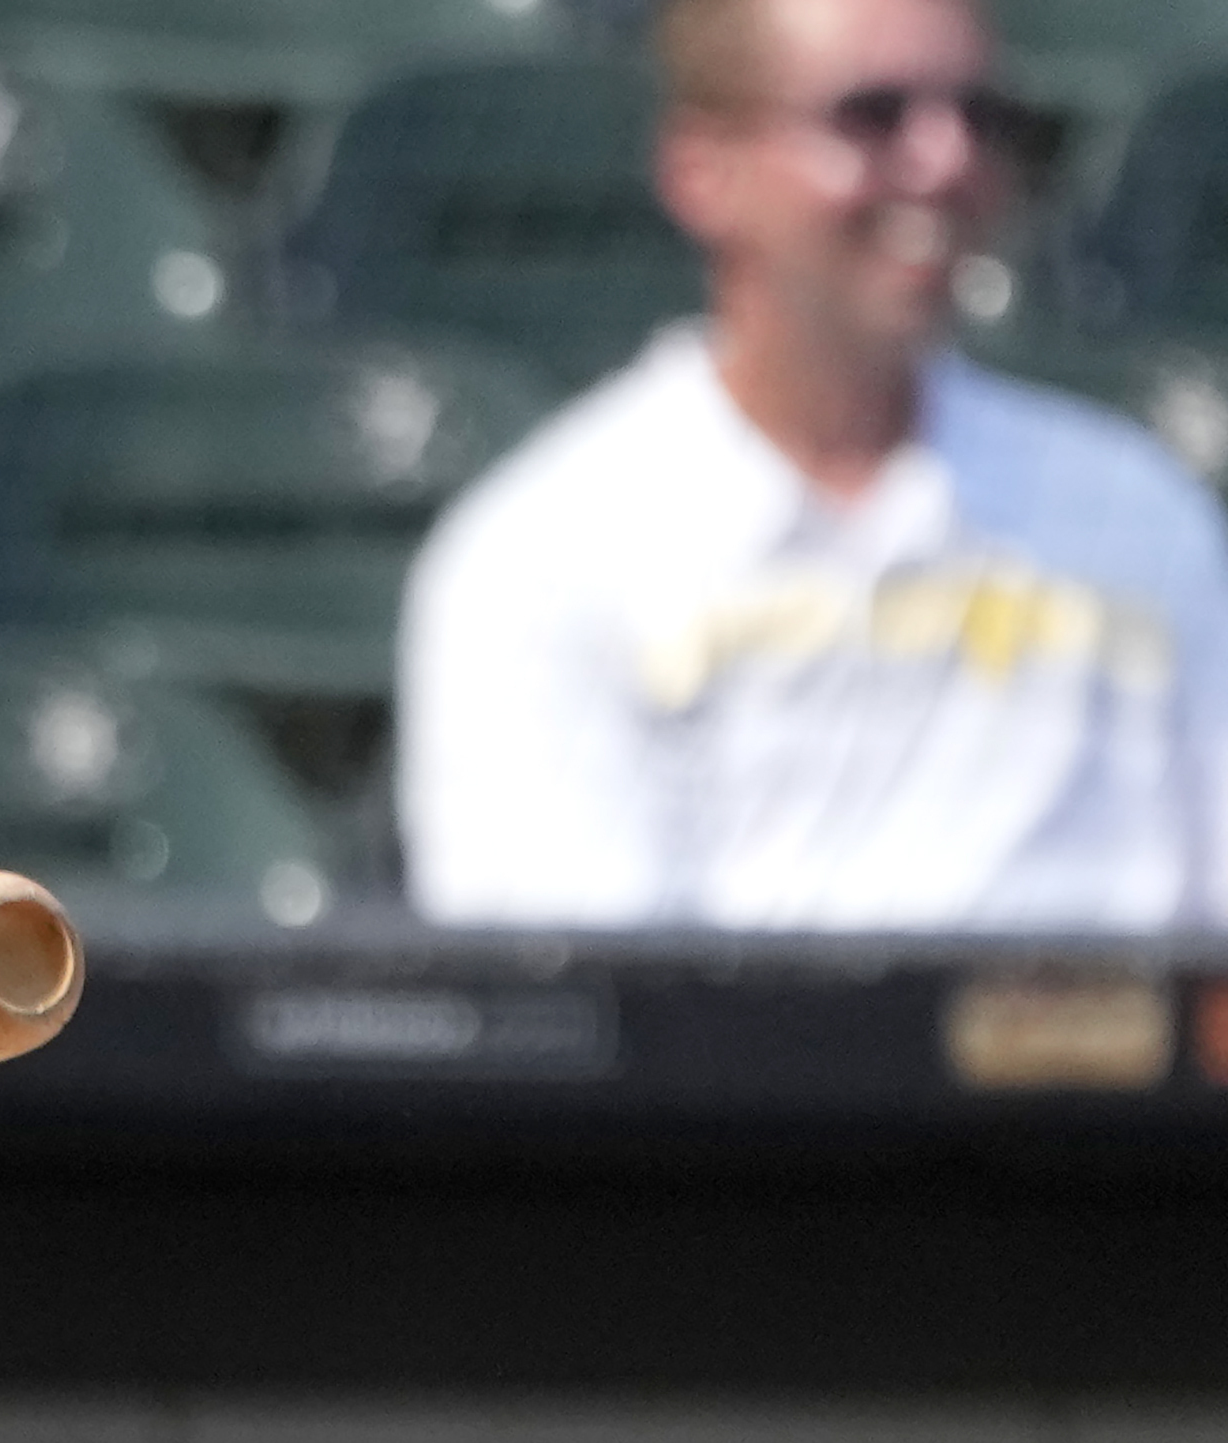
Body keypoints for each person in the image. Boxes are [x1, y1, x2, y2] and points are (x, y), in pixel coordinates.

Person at [398, 0, 1228, 929]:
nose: (945, 159)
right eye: (875, 115)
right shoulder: (545, 557)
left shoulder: (1135, 511)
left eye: (981, 117)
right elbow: (575, 1012)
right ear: (703, 170)